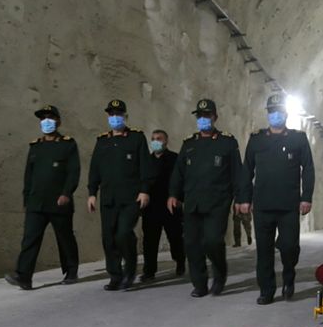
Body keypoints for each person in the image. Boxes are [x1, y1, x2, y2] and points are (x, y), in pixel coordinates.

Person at [168, 98, 248, 298]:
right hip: (192, 202)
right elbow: (178, 172)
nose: (203, 119)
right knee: (192, 245)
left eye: (207, 116)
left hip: (217, 202)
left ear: (215, 117)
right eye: (200, 116)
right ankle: (200, 284)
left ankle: (219, 275)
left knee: (212, 241)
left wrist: (241, 199)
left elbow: (237, 173)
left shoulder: (227, 143)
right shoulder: (189, 144)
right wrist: (173, 195)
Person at [242, 94, 315, 305]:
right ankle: (266, 290)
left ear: (286, 114)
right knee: (263, 251)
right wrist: (244, 198)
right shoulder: (256, 139)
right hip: (263, 204)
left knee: (289, 247)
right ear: (268, 114)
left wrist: (306, 197)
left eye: (279, 111)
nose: (276, 115)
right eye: (272, 111)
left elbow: (308, 168)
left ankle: (289, 278)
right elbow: (246, 170)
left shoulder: (298, 139)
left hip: (288, 205)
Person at [5, 104, 80, 290]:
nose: (46, 121)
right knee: (30, 239)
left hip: (59, 202)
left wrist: (66, 193)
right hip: (36, 202)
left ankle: (71, 271)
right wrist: (26, 199)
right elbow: (28, 175)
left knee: (65, 237)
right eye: (43, 118)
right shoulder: (35, 146)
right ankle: (24, 276)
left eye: (50, 117)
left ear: (58, 121)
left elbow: (73, 172)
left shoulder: (68, 144)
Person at [87, 99, 154, 291]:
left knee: (124, 232)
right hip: (109, 198)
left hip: (131, 198)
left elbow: (145, 167)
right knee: (109, 238)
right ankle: (115, 275)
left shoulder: (136, 138)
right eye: (111, 114)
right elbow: (95, 169)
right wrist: (92, 193)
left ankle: (130, 271)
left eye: (118, 113)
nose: (115, 117)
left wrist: (144, 190)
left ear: (125, 116)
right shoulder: (102, 141)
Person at [140, 129, 186, 282]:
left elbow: (182, 180)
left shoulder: (175, 159)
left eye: (159, 138)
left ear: (166, 141)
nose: (155, 141)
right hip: (151, 207)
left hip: (170, 206)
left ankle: (180, 261)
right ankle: (149, 271)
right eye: (153, 138)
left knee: (175, 237)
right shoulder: (146, 160)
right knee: (150, 240)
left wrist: (179, 199)